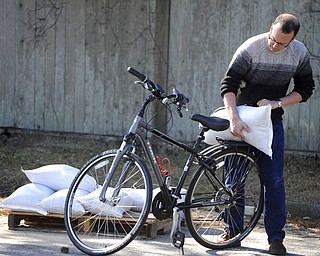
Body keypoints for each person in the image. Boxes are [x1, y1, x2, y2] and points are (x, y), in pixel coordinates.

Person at [220, 13, 315, 255]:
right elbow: (228, 86)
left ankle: (275, 239)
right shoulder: (251, 48)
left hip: (271, 123)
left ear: (293, 39)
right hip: (241, 119)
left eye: (281, 43)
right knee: (233, 181)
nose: (274, 45)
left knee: (274, 182)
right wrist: (233, 119)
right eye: (273, 39)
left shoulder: (299, 53)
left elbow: (305, 90)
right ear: (271, 28)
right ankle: (232, 232)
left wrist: (277, 103)